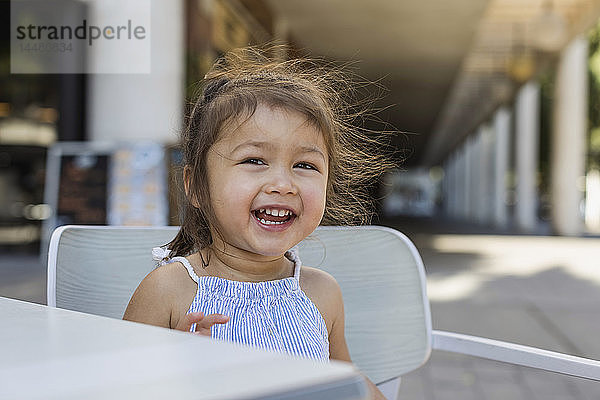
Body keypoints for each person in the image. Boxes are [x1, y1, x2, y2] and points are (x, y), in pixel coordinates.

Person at [123, 45, 395, 399]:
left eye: (305, 165)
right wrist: (176, 370)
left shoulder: (321, 294)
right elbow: (120, 387)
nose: (283, 184)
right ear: (197, 187)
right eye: (254, 160)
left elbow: (349, 385)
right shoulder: (170, 290)